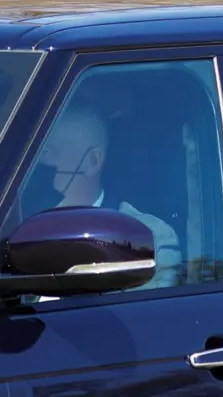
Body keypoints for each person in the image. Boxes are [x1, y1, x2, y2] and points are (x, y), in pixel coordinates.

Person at [20, 94, 182, 298]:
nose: (35, 166)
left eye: (46, 152)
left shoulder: (147, 239)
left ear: (91, 162)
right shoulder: (10, 229)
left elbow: (145, 321)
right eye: (31, 155)